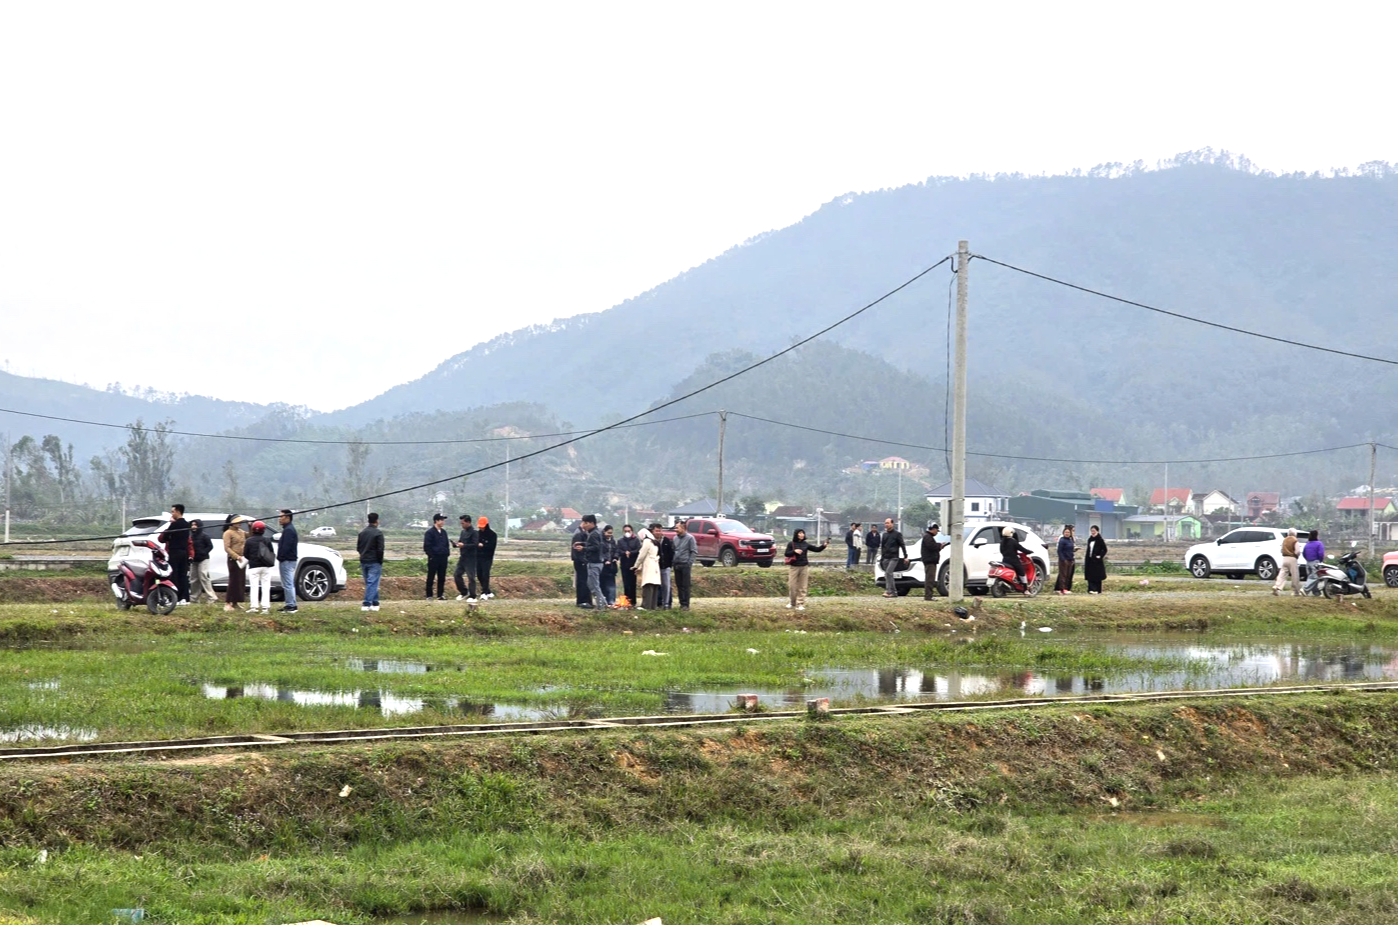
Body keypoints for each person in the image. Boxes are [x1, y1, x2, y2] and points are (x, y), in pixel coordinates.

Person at [783, 528, 827, 610]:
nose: (802, 534)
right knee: (792, 586)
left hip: (804, 567)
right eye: (800, 533)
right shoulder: (791, 544)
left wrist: (823, 546)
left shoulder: (805, 544)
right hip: (794, 567)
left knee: (802, 586)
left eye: (803, 533)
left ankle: (800, 604)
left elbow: (816, 549)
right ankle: (792, 603)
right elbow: (786, 554)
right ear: (796, 534)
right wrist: (794, 551)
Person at [160, 503, 192, 605]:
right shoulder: (187, 524)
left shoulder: (174, 524)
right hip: (184, 552)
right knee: (183, 575)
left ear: (178, 512)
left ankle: (175, 597)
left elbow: (164, 537)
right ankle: (184, 598)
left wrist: (170, 525)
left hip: (174, 552)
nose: (172, 514)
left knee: (174, 575)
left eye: (173, 512)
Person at [244, 520, 277, 615]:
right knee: (266, 587)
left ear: (253, 530)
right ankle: (265, 608)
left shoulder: (249, 541)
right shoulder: (267, 540)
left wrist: (252, 559)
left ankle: (254, 607)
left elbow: (245, 554)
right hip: (265, 566)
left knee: (254, 587)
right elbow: (271, 552)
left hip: (254, 566)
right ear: (263, 530)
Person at [358, 512, 385, 612]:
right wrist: (380, 560)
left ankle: (375, 603)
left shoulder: (362, 533)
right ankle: (366, 603)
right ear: (377, 521)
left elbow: (358, 548)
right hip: (374, 561)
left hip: (364, 560)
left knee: (370, 583)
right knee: (372, 583)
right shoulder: (378, 533)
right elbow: (380, 549)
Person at [671, 519, 698, 610]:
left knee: (685, 585)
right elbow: (674, 550)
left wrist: (689, 563)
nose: (676, 529)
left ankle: (686, 604)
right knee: (679, 585)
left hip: (685, 564)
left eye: (677, 528)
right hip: (677, 564)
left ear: (683, 528)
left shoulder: (690, 538)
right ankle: (681, 603)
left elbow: (694, 551)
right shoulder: (675, 538)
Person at [222, 515, 247, 613]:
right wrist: (236, 556)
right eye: (238, 522)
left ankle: (235, 602)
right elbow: (227, 548)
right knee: (233, 580)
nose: (240, 523)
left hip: (242, 559)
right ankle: (228, 602)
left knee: (240, 581)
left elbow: (250, 535)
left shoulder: (241, 532)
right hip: (233, 559)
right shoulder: (228, 533)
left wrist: (250, 526)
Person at [276, 509, 300, 612]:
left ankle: (291, 605)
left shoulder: (289, 530)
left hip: (287, 560)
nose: (279, 519)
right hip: (288, 560)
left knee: (288, 583)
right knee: (288, 583)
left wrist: (281, 557)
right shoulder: (287, 529)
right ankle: (290, 603)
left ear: (288, 517)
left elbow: (286, 547)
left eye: (281, 517)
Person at [423, 513, 450, 601]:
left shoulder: (444, 532)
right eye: (441, 520)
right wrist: (431, 556)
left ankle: (440, 594)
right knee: (431, 576)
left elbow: (446, 544)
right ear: (436, 521)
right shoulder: (430, 533)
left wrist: (447, 553)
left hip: (443, 557)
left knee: (442, 576)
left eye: (443, 520)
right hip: (434, 558)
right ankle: (429, 595)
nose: (443, 522)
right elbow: (427, 546)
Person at [581, 514, 606, 609]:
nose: (584, 525)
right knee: (591, 584)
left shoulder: (594, 534)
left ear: (592, 523)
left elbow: (596, 547)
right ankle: (603, 603)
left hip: (594, 562)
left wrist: (583, 548)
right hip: (597, 562)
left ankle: (600, 606)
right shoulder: (597, 532)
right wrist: (583, 544)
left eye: (586, 523)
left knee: (594, 585)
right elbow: (593, 544)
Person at [452, 514, 478, 602]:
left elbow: (475, 545)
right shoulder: (463, 532)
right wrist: (456, 545)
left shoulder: (474, 532)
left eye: (463, 523)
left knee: (471, 577)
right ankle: (464, 592)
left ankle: (473, 596)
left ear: (468, 522)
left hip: (471, 558)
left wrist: (464, 545)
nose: (462, 525)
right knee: (457, 574)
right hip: (463, 557)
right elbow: (460, 542)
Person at [189, 519, 216, 603]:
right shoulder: (191, 537)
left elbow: (210, 546)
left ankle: (211, 597)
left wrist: (204, 552)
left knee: (203, 576)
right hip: (194, 560)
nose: (193, 526)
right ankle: (194, 598)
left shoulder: (205, 536)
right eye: (192, 525)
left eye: (195, 525)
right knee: (193, 579)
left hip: (204, 559)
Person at [879, 517, 906, 599]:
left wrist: (905, 556)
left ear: (892, 524)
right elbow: (883, 546)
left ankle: (889, 591)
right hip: (885, 557)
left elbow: (902, 545)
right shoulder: (884, 535)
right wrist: (882, 557)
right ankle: (893, 592)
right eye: (885, 523)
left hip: (894, 557)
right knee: (888, 575)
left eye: (888, 523)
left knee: (888, 573)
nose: (886, 524)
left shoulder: (897, 534)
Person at [634, 526, 660, 610]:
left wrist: (636, 566)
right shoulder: (654, 541)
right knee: (654, 586)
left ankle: (646, 606)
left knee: (647, 586)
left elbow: (642, 555)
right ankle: (653, 606)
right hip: (655, 566)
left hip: (649, 566)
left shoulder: (647, 541)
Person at [617, 524, 640, 608]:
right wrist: (624, 553)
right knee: (626, 583)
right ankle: (626, 601)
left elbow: (638, 550)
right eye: (625, 531)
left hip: (633, 564)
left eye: (628, 531)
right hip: (624, 564)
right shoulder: (620, 541)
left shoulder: (636, 540)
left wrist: (631, 553)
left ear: (632, 531)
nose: (627, 533)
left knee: (632, 583)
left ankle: (633, 601)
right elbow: (618, 550)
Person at [653, 523, 675, 609]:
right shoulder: (652, 541)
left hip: (666, 567)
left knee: (666, 586)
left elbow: (671, 553)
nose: (658, 532)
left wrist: (669, 564)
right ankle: (658, 603)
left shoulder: (666, 540)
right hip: (656, 567)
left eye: (659, 530)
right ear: (653, 531)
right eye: (656, 531)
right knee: (657, 586)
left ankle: (667, 603)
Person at [1275, 528, 1302, 596]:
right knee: (1295, 575)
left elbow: (1281, 550)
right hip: (1292, 558)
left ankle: (1277, 587)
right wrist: (1297, 555)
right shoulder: (1295, 540)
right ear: (1295, 534)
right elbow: (1297, 551)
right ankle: (1296, 591)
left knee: (1282, 574)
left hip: (1285, 558)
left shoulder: (1285, 540)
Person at [569, 520, 590, 607]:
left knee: (584, 581)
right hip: (580, 561)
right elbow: (577, 550)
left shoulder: (583, 533)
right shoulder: (578, 534)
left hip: (581, 561)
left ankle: (585, 600)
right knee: (582, 581)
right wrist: (583, 561)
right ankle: (582, 601)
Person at [476, 516, 498, 599]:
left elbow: (492, 547)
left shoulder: (492, 535)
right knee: (479, 574)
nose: (481, 528)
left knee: (485, 574)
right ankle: (488, 591)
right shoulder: (477, 534)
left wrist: (483, 545)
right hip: (478, 557)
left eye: (482, 526)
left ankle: (484, 592)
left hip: (487, 557)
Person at [920, 522, 942, 599]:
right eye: (937, 530)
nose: (937, 532)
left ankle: (928, 595)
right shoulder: (928, 537)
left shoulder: (927, 536)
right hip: (930, 561)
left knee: (930, 578)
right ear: (934, 529)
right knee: (930, 579)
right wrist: (939, 545)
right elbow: (931, 547)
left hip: (930, 560)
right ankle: (928, 595)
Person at [1084, 525, 1108, 594]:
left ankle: (1097, 589)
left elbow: (1105, 549)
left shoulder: (1100, 540)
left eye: (1094, 531)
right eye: (1091, 531)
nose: (1093, 532)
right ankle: (1091, 589)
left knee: (1097, 575)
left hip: (1097, 561)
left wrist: (1100, 556)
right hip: (1090, 560)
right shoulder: (1090, 539)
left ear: (1097, 531)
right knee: (1090, 574)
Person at [1054, 525, 1076, 595]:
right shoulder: (1062, 540)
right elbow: (1059, 550)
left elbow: (1071, 550)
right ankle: (1062, 588)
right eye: (1066, 532)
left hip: (1070, 559)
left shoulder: (1070, 540)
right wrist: (1063, 559)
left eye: (1068, 532)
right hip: (1063, 560)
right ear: (1063, 533)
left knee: (1068, 575)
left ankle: (1066, 588)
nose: (1067, 533)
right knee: (1063, 575)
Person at [600, 525, 619, 607]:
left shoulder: (613, 541)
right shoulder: (600, 541)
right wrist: (605, 560)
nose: (609, 535)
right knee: (603, 585)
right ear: (604, 532)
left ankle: (611, 601)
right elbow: (600, 552)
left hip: (612, 567)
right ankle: (604, 601)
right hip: (603, 567)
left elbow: (616, 550)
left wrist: (615, 557)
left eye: (611, 533)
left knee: (611, 585)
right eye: (608, 533)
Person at [1302, 530, 1325, 595]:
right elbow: (1321, 554)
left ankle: (1316, 592)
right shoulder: (1319, 544)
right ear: (1316, 535)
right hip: (1315, 562)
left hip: (1308, 562)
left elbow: (1304, 553)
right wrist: (1320, 561)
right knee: (1315, 577)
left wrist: (1307, 559)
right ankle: (1304, 589)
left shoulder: (1307, 544)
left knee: (1311, 577)